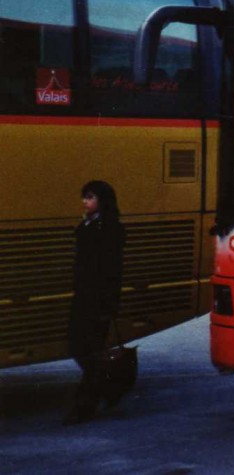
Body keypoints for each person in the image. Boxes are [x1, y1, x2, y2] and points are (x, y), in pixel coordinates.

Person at [64, 180, 126, 425]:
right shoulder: (88, 225)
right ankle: (110, 387)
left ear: (102, 200)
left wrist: (109, 304)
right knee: (79, 347)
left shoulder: (109, 229)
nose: (85, 201)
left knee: (88, 350)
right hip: (84, 297)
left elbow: (112, 271)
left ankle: (84, 406)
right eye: (84, 197)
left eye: (90, 197)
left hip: (98, 300)